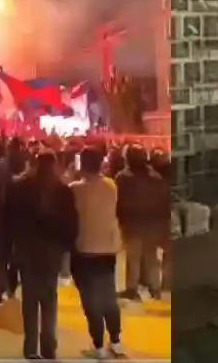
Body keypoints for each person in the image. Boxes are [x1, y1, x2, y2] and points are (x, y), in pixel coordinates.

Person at [5, 150, 77, 360]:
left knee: (29, 298)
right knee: (49, 298)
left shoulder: (22, 188)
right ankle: (48, 345)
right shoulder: (63, 190)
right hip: (52, 250)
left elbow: (10, 218)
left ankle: (30, 346)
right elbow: (71, 222)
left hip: (27, 248)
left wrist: (13, 244)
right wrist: (66, 247)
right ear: (54, 165)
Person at [69, 146, 125, 359]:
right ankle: (117, 340)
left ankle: (99, 345)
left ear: (82, 164)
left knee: (91, 300)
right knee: (108, 296)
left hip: (85, 249)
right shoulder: (111, 185)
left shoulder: (75, 188)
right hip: (108, 249)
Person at [115, 146, 169, 300]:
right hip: (152, 223)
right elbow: (163, 200)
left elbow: (118, 201)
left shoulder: (123, 178)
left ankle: (132, 289)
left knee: (133, 257)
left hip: (132, 223)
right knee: (150, 256)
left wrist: (119, 218)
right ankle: (155, 288)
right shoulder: (156, 177)